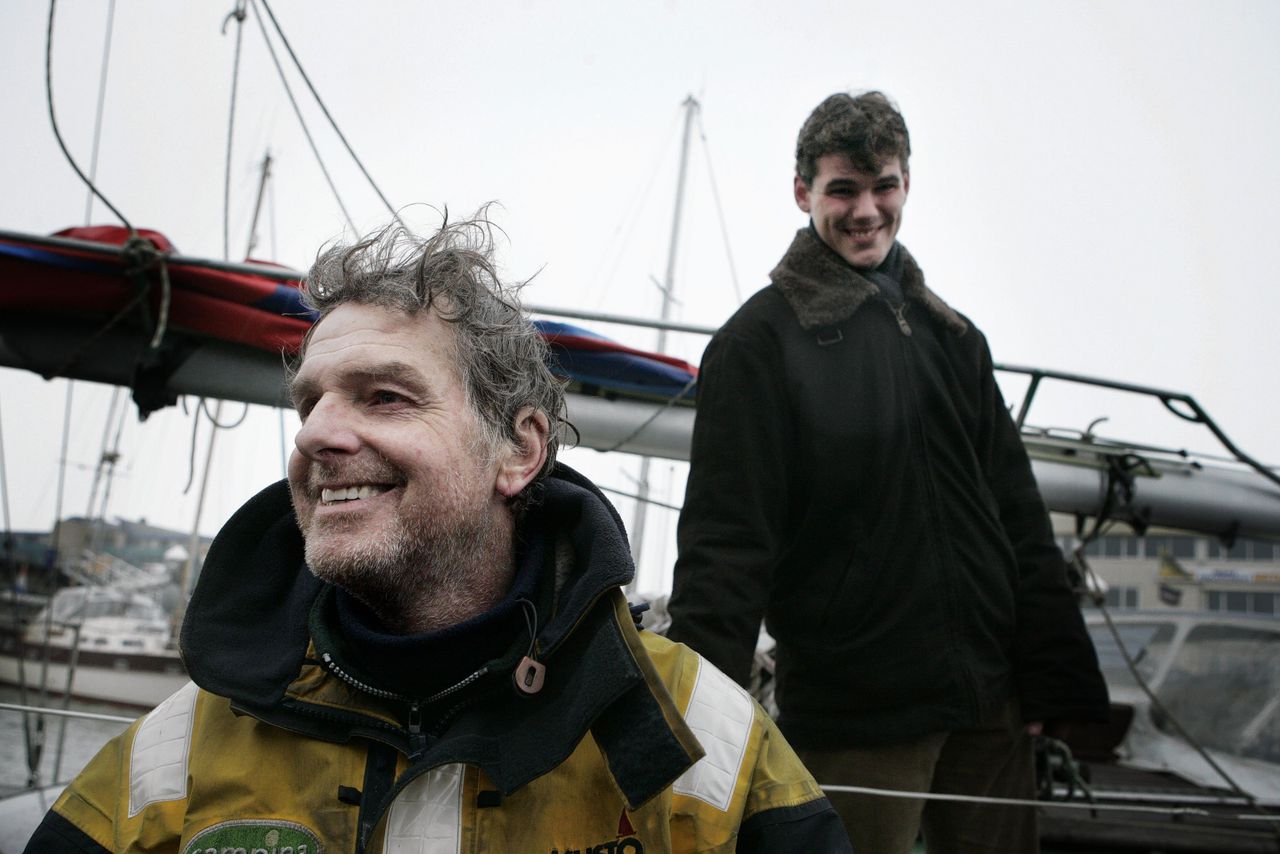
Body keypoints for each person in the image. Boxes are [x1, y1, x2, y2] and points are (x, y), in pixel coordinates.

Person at [25, 214, 850, 853]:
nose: (316, 436)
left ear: (518, 451)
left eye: (384, 396)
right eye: (310, 404)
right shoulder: (189, 740)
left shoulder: (690, 733)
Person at [665, 91, 1110, 853]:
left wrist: (1053, 674)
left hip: (988, 707)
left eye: (884, 187)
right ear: (803, 192)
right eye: (843, 189)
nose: (866, 210)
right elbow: (726, 542)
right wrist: (702, 714)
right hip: (854, 715)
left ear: (907, 186)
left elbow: (1017, 514)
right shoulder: (757, 345)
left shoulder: (955, 339)